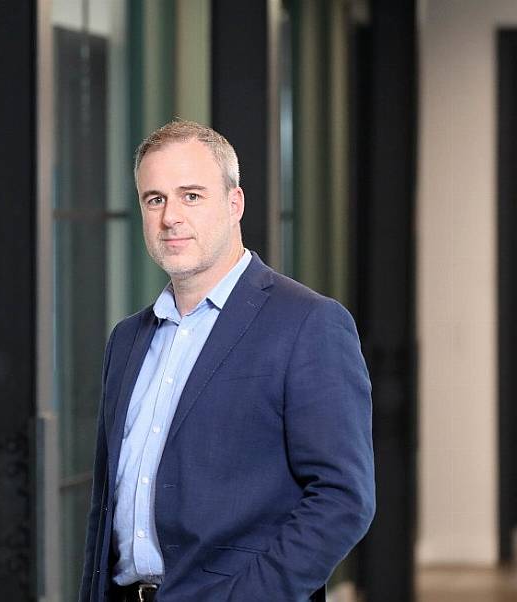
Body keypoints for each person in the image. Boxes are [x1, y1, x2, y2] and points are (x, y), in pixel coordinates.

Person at [79, 119, 375, 601]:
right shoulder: (128, 339)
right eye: (155, 199)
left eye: (191, 196)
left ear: (234, 203)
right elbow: (104, 509)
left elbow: (344, 499)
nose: (170, 217)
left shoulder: (308, 324)